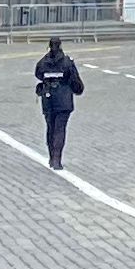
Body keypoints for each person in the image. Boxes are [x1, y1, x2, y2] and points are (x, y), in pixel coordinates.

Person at [33, 38, 85, 170]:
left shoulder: (43, 62)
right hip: (63, 99)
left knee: (50, 127)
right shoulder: (67, 62)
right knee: (60, 129)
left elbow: (38, 74)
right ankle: (57, 159)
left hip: (48, 98)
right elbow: (75, 80)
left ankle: (51, 157)